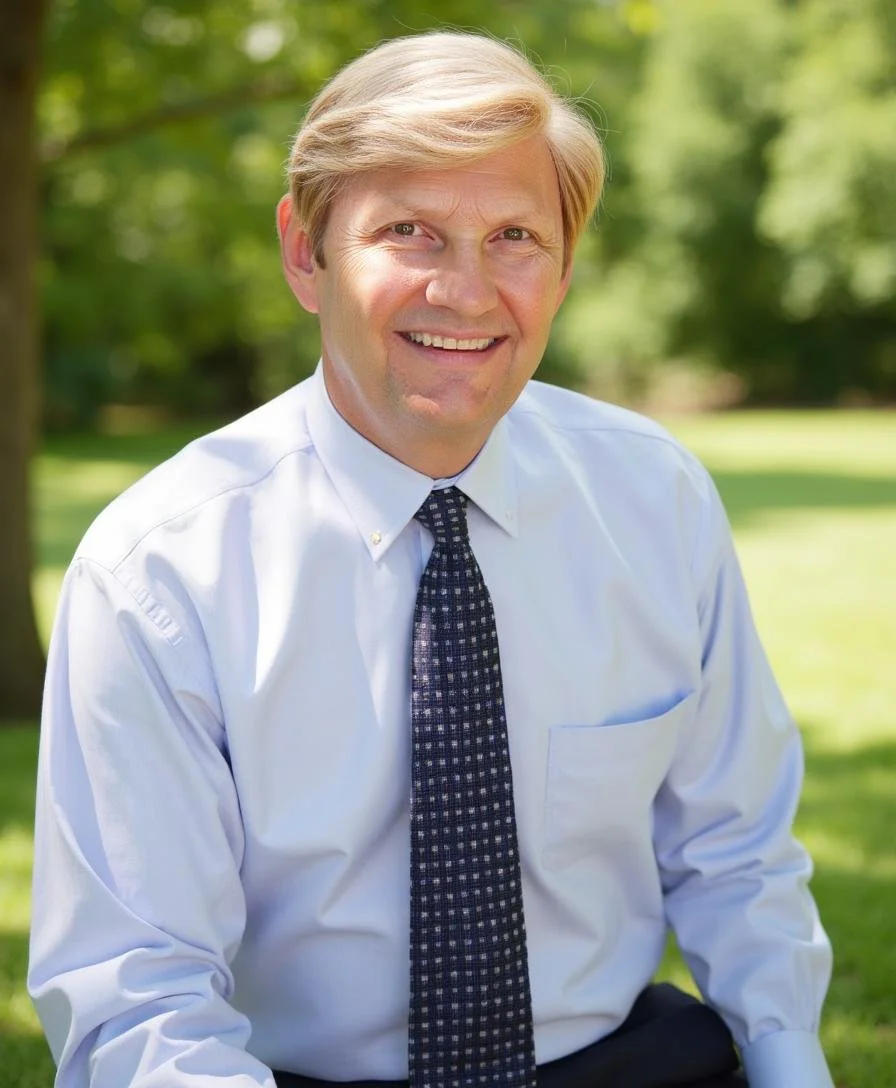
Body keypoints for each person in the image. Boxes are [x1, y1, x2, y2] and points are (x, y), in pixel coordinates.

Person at [29, 30, 834, 1088]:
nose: (463, 291)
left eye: (512, 235)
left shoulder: (654, 498)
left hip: (612, 1061)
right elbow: (135, 993)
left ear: (563, 265)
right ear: (305, 253)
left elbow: (735, 857)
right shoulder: (159, 573)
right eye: (408, 231)